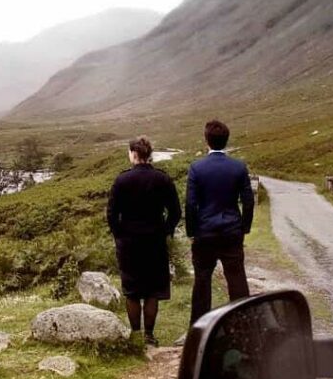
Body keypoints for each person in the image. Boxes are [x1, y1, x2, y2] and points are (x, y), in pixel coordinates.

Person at [107, 136, 182, 347]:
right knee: (152, 290)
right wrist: (165, 231)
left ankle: (136, 335)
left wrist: (119, 236)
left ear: (134, 154)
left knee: (132, 291)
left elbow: (111, 214)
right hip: (155, 242)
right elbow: (175, 212)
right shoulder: (162, 179)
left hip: (129, 243)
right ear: (149, 154)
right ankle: (149, 335)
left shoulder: (122, 180)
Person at [185, 120, 255, 325]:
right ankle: (244, 323)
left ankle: (198, 327)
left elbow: (190, 204)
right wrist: (244, 228)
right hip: (232, 231)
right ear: (226, 140)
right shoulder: (238, 167)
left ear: (206, 140)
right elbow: (248, 201)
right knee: (237, 279)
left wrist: (191, 231)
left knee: (202, 281)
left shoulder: (196, 168)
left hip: (204, 232)